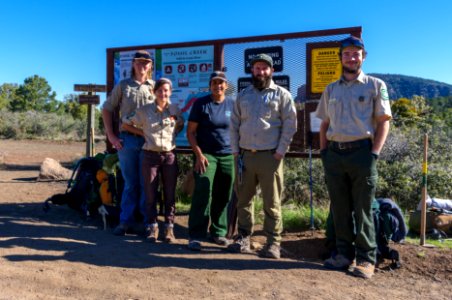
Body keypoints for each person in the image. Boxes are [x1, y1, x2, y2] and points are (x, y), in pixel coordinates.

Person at [315, 36, 392, 279]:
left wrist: (374, 154)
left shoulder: (375, 85)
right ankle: (342, 255)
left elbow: (383, 123)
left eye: (356, 53)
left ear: (363, 56)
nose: (351, 57)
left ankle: (366, 259)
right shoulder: (331, 89)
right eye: (347, 53)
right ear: (341, 58)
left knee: (363, 209)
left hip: (362, 153)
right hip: (334, 154)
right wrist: (324, 153)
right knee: (339, 208)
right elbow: (324, 124)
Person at [228, 54, 297, 259]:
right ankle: (243, 238)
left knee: (271, 202)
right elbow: (234, 124)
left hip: (270, 157)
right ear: (252, 71)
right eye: (257, 68)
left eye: (264, 68)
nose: (260, 72)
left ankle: (273, 243)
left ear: (271, 71)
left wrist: (280, 151)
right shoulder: (243, 96)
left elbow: (290, 125)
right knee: (243, 200)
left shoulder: (282, 95)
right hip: (245, 156)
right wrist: (235, 150)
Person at [124, 78, 184, 243]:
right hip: (150, 156)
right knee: (150, 194)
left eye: (166, 90)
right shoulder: (144, 111)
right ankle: (152, 227)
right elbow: (126, 124)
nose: (163, 93)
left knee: (170, 194)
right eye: (159, 90)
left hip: (169, 156)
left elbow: (179, 125)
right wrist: (143, 134)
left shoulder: (175, 110)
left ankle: (169, 229)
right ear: (154, 92)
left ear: (170, 92)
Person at [102, 50, 155, 236]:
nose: (143, 65)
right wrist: (111, 135)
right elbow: (107, 108)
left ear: (150, 66)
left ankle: (145, 222)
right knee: (131, 182)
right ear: (133, 64)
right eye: (139, 62)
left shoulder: (154, 87)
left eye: (146, 62)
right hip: (127, 141)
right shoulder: (124, 85)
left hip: (149, 142)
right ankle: (125, 221)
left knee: (146, 182)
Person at [186, 71, 235, 251]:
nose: (218, 86)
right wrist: (199, 155)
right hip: (206, 155)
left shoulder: (232, 103)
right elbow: (190, 132)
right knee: (203, 192)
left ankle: (219, 232)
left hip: (228, 155)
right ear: (210, 85)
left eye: (221, 82)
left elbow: (238, 130)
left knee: (223, 194)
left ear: (226, 86)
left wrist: (236, 154)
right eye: (214, 83)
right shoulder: (201, 104)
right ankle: (196, 235)